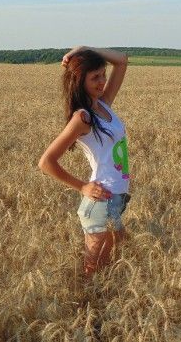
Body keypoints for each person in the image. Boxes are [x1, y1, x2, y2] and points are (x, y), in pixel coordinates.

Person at [38, 46, 131, 277]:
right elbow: (46, 161)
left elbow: (122, 61)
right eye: (95, 77)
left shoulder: (103, 104)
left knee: (118, 261)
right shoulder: (83, 117)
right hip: (100, 201)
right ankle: (87, 306)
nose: (102, 81)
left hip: (116, 198)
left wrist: (85, 47)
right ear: (80, 82)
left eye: (102, 74)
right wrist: (82, 186)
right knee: (93, 271)